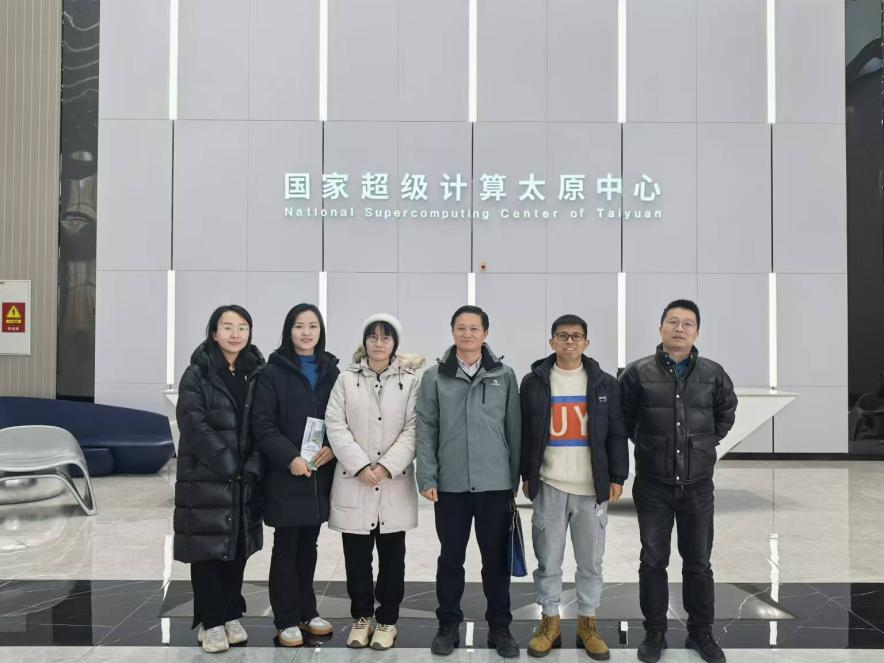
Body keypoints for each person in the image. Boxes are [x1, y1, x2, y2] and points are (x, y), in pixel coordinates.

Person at [620, 299, 737, 663]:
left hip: (697, 485)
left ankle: (700, 633)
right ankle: (654, 632)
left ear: (697, 332)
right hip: (653, 484)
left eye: (688, 323)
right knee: (653, 560)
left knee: (698, 562)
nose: (680, 328)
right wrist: (650, 445)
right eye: (673, 322)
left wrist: (701, 444)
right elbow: (624, 418)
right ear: (661, 328)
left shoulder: (713, 373)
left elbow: (726, 413)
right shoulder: (637, 373)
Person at [415, 305, 522, 658]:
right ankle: (448, 625)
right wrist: (426, 475)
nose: (467, 334)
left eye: (474, 328)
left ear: (485, 334)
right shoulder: (434, 377)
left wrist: (514, 479)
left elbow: (514, 429)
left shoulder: (504, 375)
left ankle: (500, 627)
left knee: (496, 560)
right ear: (452, 332)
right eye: (461, 328)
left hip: (495, 484)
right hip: (451, 485)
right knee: (450, 559)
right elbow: (426, 428)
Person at [520, 314, 628, 660]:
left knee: (590, 563)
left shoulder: (604, 384)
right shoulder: (534, 382)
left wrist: (617, 476)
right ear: (552, 341)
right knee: (548, 561)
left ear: (586, 342)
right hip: (549, 484)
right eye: (563, 336)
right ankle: (549, 622)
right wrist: (525, 474)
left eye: (576, 336)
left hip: (590, 488)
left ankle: (587, 623)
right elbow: (525, 432)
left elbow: (617, 432)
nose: (570, 341)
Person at [326, 313, 425, 650]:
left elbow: (414, 429)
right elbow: (335, 425)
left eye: (385, 337)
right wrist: (360, 466)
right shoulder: (346, 380)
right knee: (356, 560)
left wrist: (384, 467)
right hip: (354, 481)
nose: (378, 343)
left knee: (392, 560)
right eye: (373, 337)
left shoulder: (410, 382)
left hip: (393, 482)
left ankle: (387, 621)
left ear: (395, 343)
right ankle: (362, 618)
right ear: (364, 341)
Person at [173, 305, 266, 653]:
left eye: (242, 327)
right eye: (227, 327)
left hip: (244, 479)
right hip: (206, 478)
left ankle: (229, 613)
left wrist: (252, 466)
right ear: (214, 332)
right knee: (208, 551)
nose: (235, 334)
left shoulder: (257, 372)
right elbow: (193, 424)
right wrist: (230, 465)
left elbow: (264, 422)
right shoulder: (197, 373)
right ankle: (211, 622)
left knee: (236, 548)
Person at [252, 303, 340, 647]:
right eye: (299, 326)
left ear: (321, 331)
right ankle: (286, 618)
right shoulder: (272, 372)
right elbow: (263, 424)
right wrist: (290, 457)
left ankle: (307, 611)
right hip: (286, 473)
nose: (306, 332)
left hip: (319, 473)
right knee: (286, 548)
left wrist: (332, 446)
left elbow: (343, 417)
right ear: (289, 331)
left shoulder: (332, 371)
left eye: (313, 326)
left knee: (309, 546)